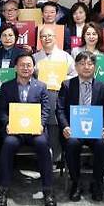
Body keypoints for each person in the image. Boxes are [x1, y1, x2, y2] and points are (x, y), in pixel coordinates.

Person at [0, 52, 56, 206]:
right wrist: (7, 123)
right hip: (15, 131)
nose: (25, 68)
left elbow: (46, 109)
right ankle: (3, 189)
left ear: (34, 67)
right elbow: (1, 110)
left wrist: (42, 124)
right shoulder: (7, 86)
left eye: (29, 65)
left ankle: (48, 190)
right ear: (15, 67)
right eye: (22, 65)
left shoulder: (41, 86)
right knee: (7, 144)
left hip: (35, 130)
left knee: (43, 144)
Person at [57, 51, 104, 202]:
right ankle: (76, 182)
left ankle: (97, 183)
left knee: (103, 143)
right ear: (76, 66)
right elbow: (60, 109)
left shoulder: (103, 87)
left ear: (95, 67)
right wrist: (65, 127)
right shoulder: (67, 85)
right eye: (82, 64)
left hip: (96, 130)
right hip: (74, 130)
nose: (86, 67)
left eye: (90, 64)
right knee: (72, 143)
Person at [34, 26, 77, 160]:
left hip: (59, 95)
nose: (46, 39)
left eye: (49, 36)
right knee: (43, 127)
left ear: (55, 38)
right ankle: (44, 160)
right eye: (43, 36)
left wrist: (62, 79)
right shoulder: (35, 57)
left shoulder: (65, 56)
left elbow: (75, 74)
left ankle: (58, 159)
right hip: (40, 98)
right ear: (40, 39)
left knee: (58, 127)